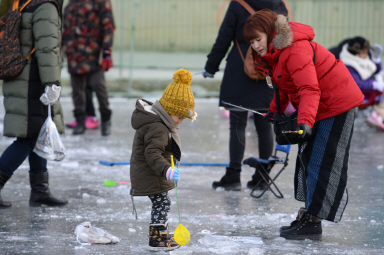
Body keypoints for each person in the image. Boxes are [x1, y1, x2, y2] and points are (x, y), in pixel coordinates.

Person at [243, 9, 364, 240]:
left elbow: (309, 88)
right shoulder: (274, 54)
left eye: (258, 39)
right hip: (319, 104)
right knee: (308, 159)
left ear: (270, 33)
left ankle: (313, 221)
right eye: (251, 41)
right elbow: (284, 87)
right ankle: (310, 213)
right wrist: (275, 113)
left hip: (338, 103)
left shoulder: (294, 49)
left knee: (321, 159)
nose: (255, 45)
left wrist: (305, 122)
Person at [202, 0, 288, 191]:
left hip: (240, 70)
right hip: (268, 70)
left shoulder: (238, 4)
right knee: (265, 126)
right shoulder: (279, 5)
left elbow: (224, 37)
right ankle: (263, 177)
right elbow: (283, 39)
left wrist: (211, 66)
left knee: (237, 124)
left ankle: (233, 176)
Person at [0, 0, 67, 208]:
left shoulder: (22, 3)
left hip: (21, 76)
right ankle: (38, 190)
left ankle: (40, 190)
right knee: (28, 138)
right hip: (33, 81)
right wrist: (52, 82)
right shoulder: (45, 6)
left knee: (38, 133)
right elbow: (47, 48)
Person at [129, 69, 196, 250]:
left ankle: (160, 234)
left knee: (162, 202)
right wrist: (167, 169)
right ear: (169, 110)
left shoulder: (160, 122)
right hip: (151, 173)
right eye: (179, 116)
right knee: (162, 202)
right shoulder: (158, 127)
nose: (180, 121)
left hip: (153, 172)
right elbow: (152, 153)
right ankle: (157, 238)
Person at [62, 0, 115, 136]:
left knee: (99, 87)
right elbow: (65, 28)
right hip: (74, 54)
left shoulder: (101, 2)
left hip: (93, 53)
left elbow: (108, 26)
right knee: (77, 91)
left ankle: (105, 119)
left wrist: (106, 51)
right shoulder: (72, 4)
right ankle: (80, 121)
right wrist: (61, 50)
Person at [337, 37, 384, 130]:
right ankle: (377, 115)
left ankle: (379, 115)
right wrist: (373, 85)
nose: (367, 55)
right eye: (366, 52)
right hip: (360, 96)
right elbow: (356, 83)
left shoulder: (359, 59)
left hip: (366, 91)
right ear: (360, 52)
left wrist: (376, 59)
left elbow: (375, 70)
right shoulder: (349, 64)